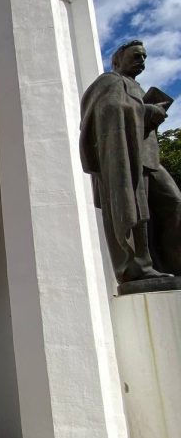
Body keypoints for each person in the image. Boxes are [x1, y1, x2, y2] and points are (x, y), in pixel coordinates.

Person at [80, 40, 181, 284]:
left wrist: (148, 113)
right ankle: (139, 266)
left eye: (144, 57)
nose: (142, 61)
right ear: (117, 60)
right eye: (136, 55)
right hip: (127, 158)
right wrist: (146, 111)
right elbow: (106, 111)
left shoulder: (135, 86)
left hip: (148, 158)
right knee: (135, 207)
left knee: (173, 202)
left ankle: (169, 263)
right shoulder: (109, 81)